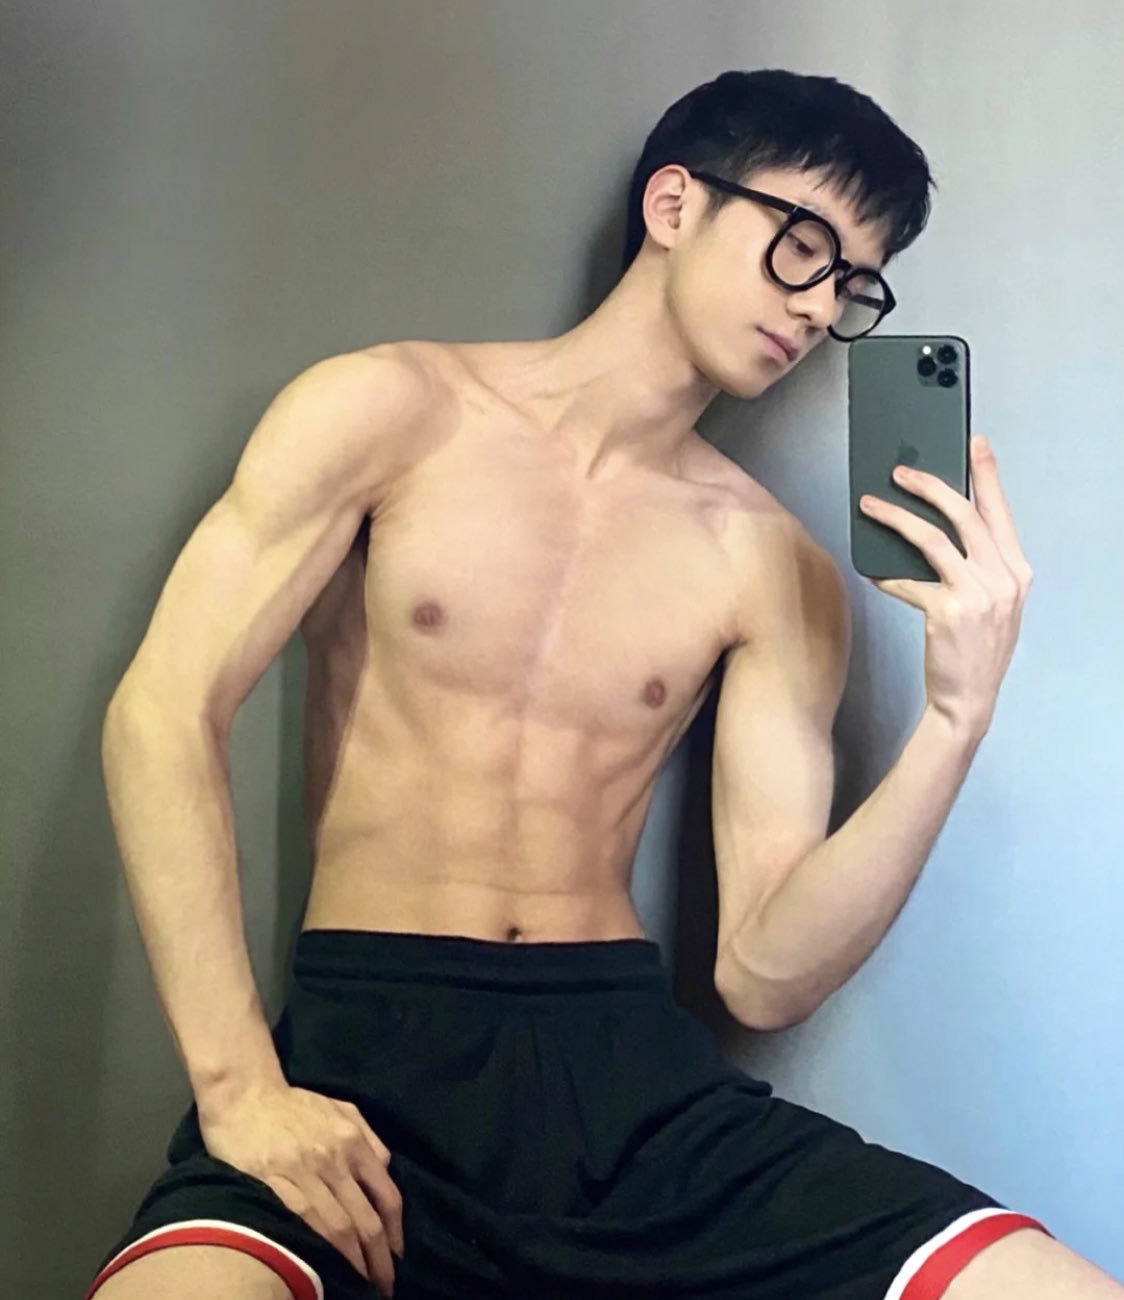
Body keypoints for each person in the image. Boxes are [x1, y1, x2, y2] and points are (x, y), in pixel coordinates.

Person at [85, 69, 1118, 1300]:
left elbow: (761, 970)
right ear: (673, 203)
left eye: (851, 281)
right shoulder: (392, 409)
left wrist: (954, 716)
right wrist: (239, 1088)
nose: (815, 304)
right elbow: (164, 711)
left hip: (628, 1091)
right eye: (800, 244)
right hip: (364, 1068)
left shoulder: (769, 564)